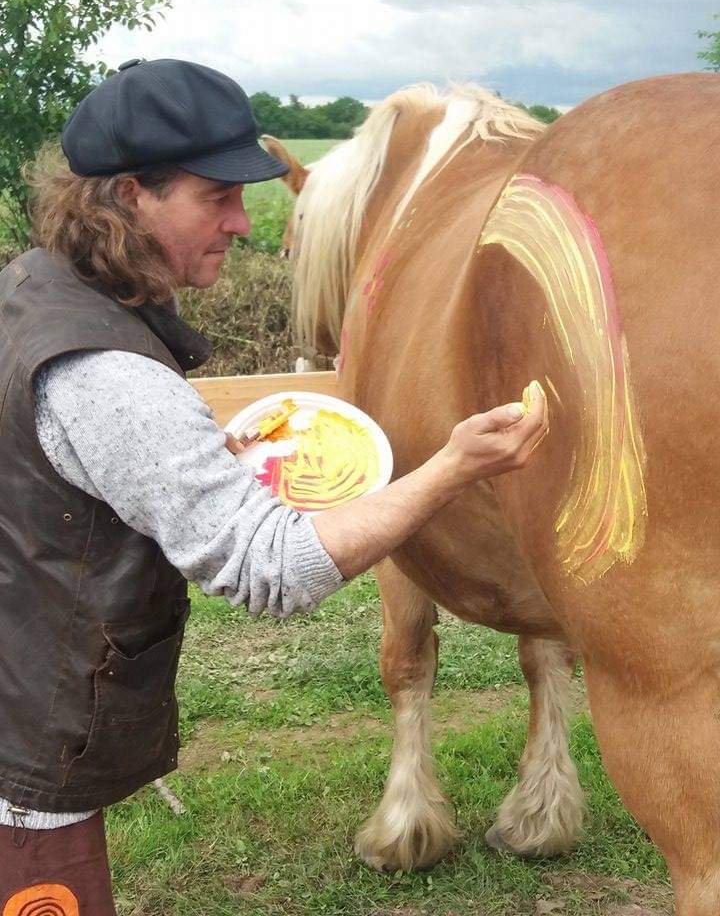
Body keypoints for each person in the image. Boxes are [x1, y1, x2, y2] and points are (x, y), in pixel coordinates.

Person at [0, 58, 548, 913]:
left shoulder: (33, 288)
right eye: (215, 197)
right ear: (130, 196)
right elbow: (272, 570)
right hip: (26, 750)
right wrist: (454, 466)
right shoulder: (105, 368)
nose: (241, 223)